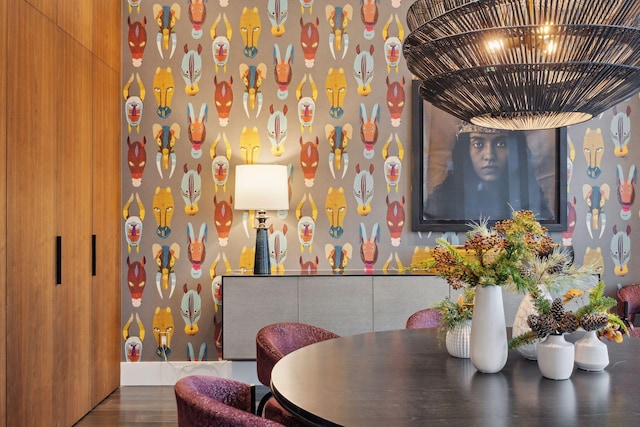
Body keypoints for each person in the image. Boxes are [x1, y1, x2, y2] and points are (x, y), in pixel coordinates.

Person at [425, 122, 553, 221]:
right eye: (478, 144)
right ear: (465, 150)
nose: (489, 155)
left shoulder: (528, 199)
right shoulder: (443, 201)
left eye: (501, 143)